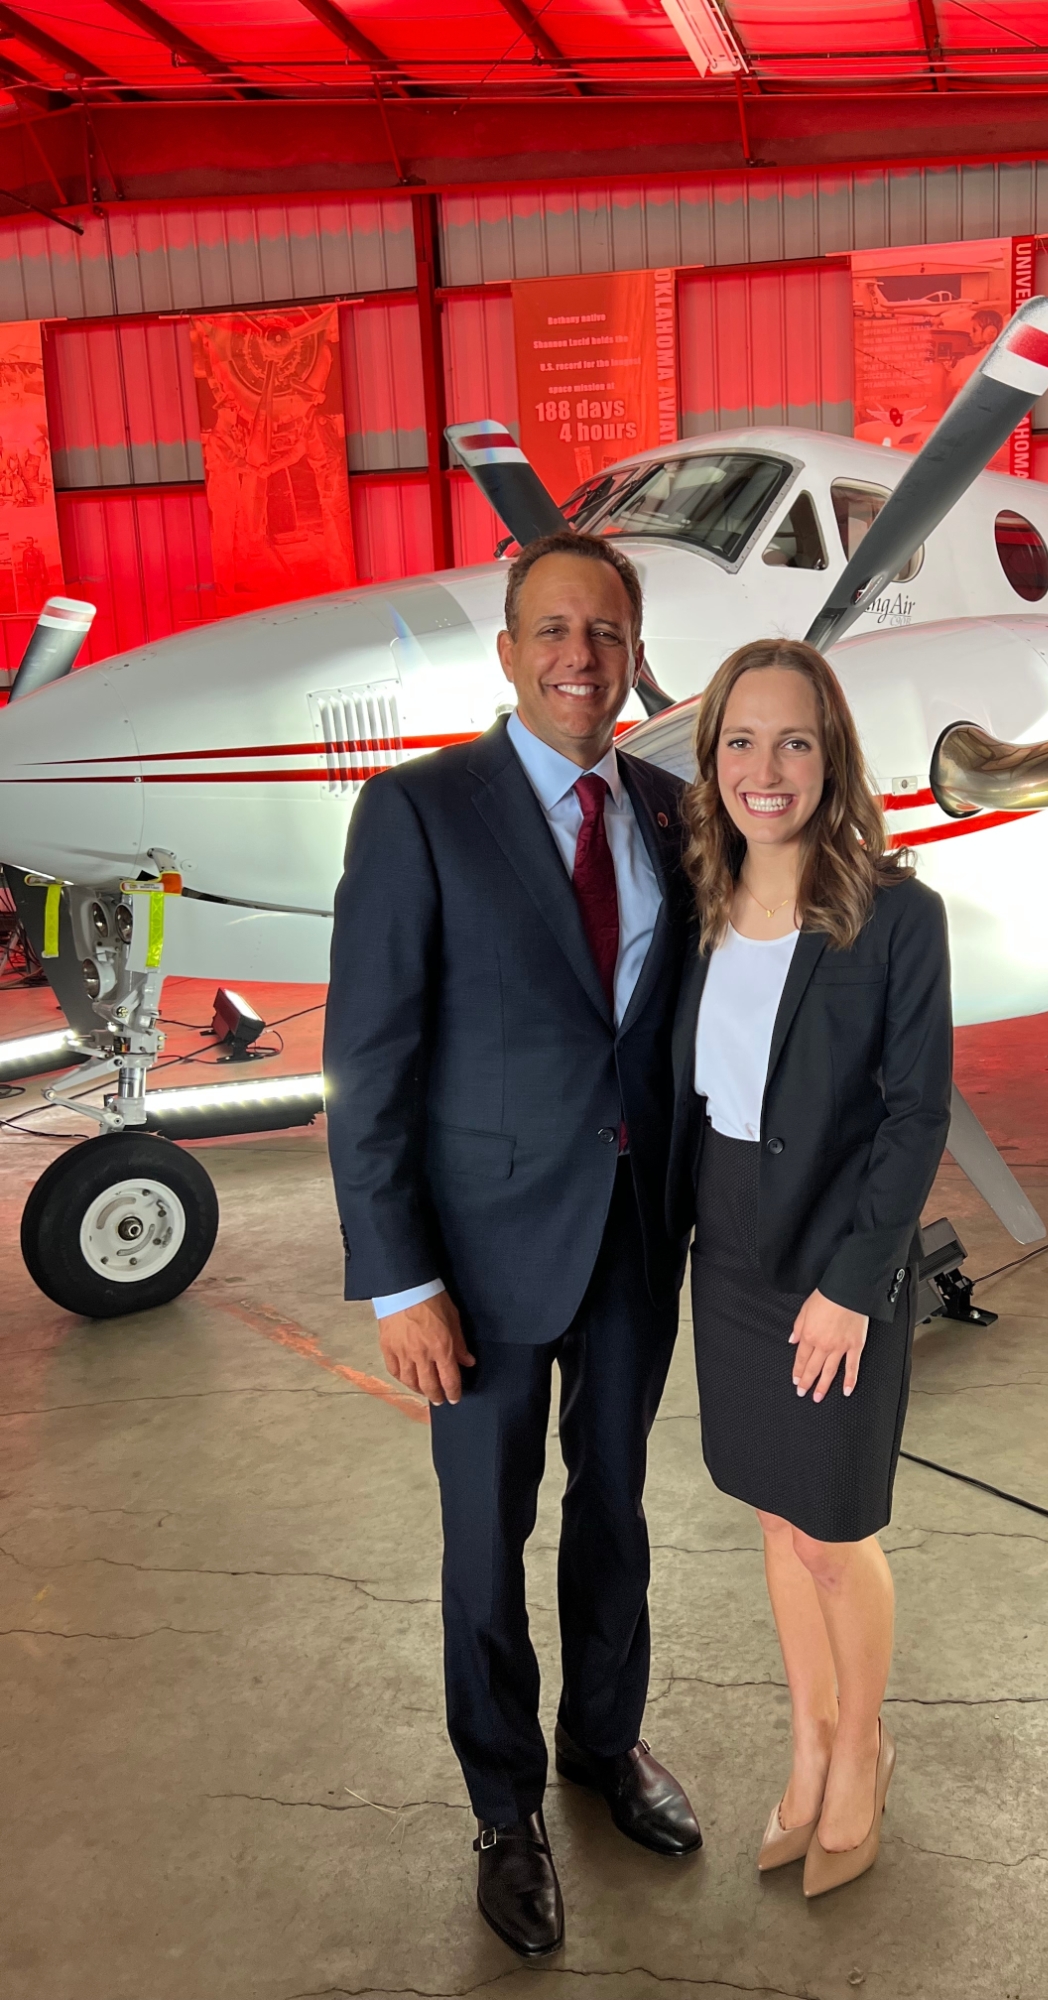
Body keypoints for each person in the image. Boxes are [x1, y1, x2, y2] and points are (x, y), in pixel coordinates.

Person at [324, 530, 701, 1962]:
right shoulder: (420, 810)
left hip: (631, 1236)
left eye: (604, 633)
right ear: (506, 649)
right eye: (552, 630)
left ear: (631, 650)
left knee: (618, 1516)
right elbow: (368, 1058)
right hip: (475, 1263)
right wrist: (398, 1276)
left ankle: (604, 1747)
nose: (578, 659)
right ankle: (504, 1806)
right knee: (487, 1538)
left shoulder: (673, 811)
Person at [668, 637, 952, 1898]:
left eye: (793, 739)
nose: (764, 767)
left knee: (835, 1528)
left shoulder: (896, 914)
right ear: (711, 756)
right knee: (777, 1515)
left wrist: (854, 1282)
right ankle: (810, 1732)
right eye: (740, 739)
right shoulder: (699, 906)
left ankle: (865, 1744)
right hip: (726, 1246)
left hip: (836, 1257)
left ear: (832, 756)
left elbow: (916, 1114)